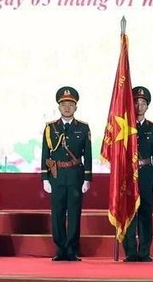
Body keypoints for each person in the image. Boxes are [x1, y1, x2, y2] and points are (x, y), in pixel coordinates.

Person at [41, 87, 93, 261]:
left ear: (76, 107)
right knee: (57, 212)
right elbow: (45, 154)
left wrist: (87, 177)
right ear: (59, 106)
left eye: (70, 104)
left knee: (74, 212)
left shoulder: (83, 128)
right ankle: (60, 249)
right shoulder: (50, 128)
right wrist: (44, 178)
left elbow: (89, 154)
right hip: (56, 174)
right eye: (63, 104)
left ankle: (71, 249)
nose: (67, 107)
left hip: (75, 174)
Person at [122, 86, 153, 262]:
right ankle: (130, 251)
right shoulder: (123, 127)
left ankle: (144, 252)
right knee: (129, 213)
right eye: (136, 102)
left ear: (148, 106)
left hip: (146, 173)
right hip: (127, 174)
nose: (139, 106)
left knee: (146, 213)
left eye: (143, 103)